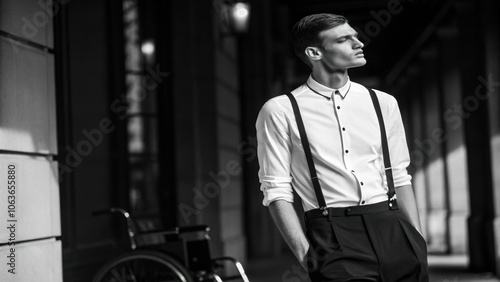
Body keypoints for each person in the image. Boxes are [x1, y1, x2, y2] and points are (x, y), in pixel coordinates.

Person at [256, 13, 429, 281]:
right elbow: (275, 189)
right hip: (332, 234)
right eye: (344, 39)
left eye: (356, 36)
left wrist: (416, 241)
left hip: (393, 226)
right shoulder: (280, 110)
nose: (358, 43)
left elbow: (399, 174)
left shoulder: (382, 102)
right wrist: (308, 257)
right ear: (314, 52)